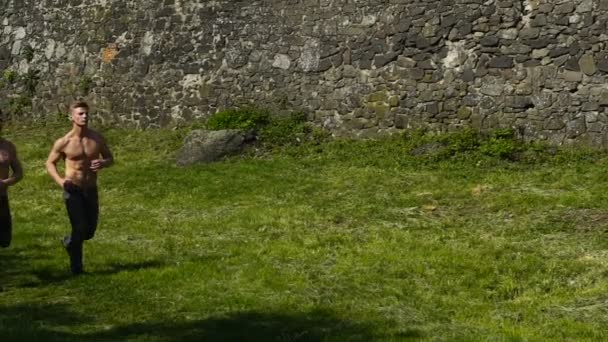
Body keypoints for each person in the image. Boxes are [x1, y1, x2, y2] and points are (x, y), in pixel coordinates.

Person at [46, 100, 113, 275]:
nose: (84, 116)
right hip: (72, 189)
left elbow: (110, 158)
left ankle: (70, 242)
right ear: (71, 117)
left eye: (86, 113)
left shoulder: (96, 138)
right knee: (79, 227)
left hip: (91, 189)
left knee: (89, 231)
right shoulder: (64, 142)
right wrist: (61, 182)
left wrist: (103, 163)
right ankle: (77, 268)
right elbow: (50, 163)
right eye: (80, 113)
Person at [0, 128, 23, 248]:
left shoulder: (7, 146)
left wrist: (6, 182)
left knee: (4, 241)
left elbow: (19, 173)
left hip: (2, 198)